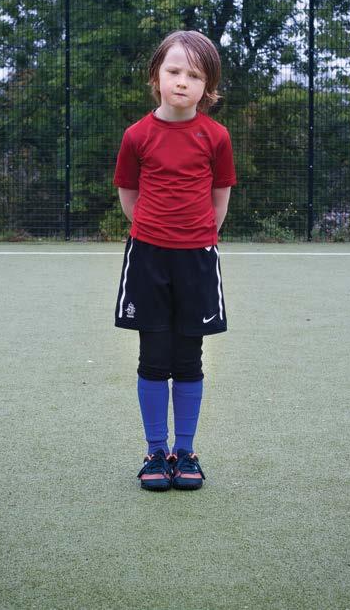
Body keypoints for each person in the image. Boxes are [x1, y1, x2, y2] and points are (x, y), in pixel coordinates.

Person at [113, 29, 237, 492]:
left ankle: (184, 451)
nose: (182, 81)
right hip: (147, 257)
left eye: (195, 75)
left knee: (188, 358)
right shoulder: (137, 135)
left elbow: (219, 195)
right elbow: (129, 193)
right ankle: (154, 451)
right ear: (156, 76)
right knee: (153, 356)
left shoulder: (216, 136)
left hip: (197, 259)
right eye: (174, 71)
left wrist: (197, 236)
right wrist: (155, 231)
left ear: (209, 87)